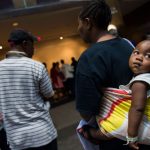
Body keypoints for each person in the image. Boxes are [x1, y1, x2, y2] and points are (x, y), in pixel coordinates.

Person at [75, 0, 150, 150]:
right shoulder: (128, 44)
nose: (79, 29)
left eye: (79, 23)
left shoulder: (88, 58)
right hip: (144, 127)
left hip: (117, 139)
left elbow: (86, 111)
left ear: (88, 22)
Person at [0, 29, 57, 150]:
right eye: (32, 45)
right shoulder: (36, 66)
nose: (34, 49)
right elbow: (49, 94)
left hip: (16, 140)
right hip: (43, 134)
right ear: (25, 44)